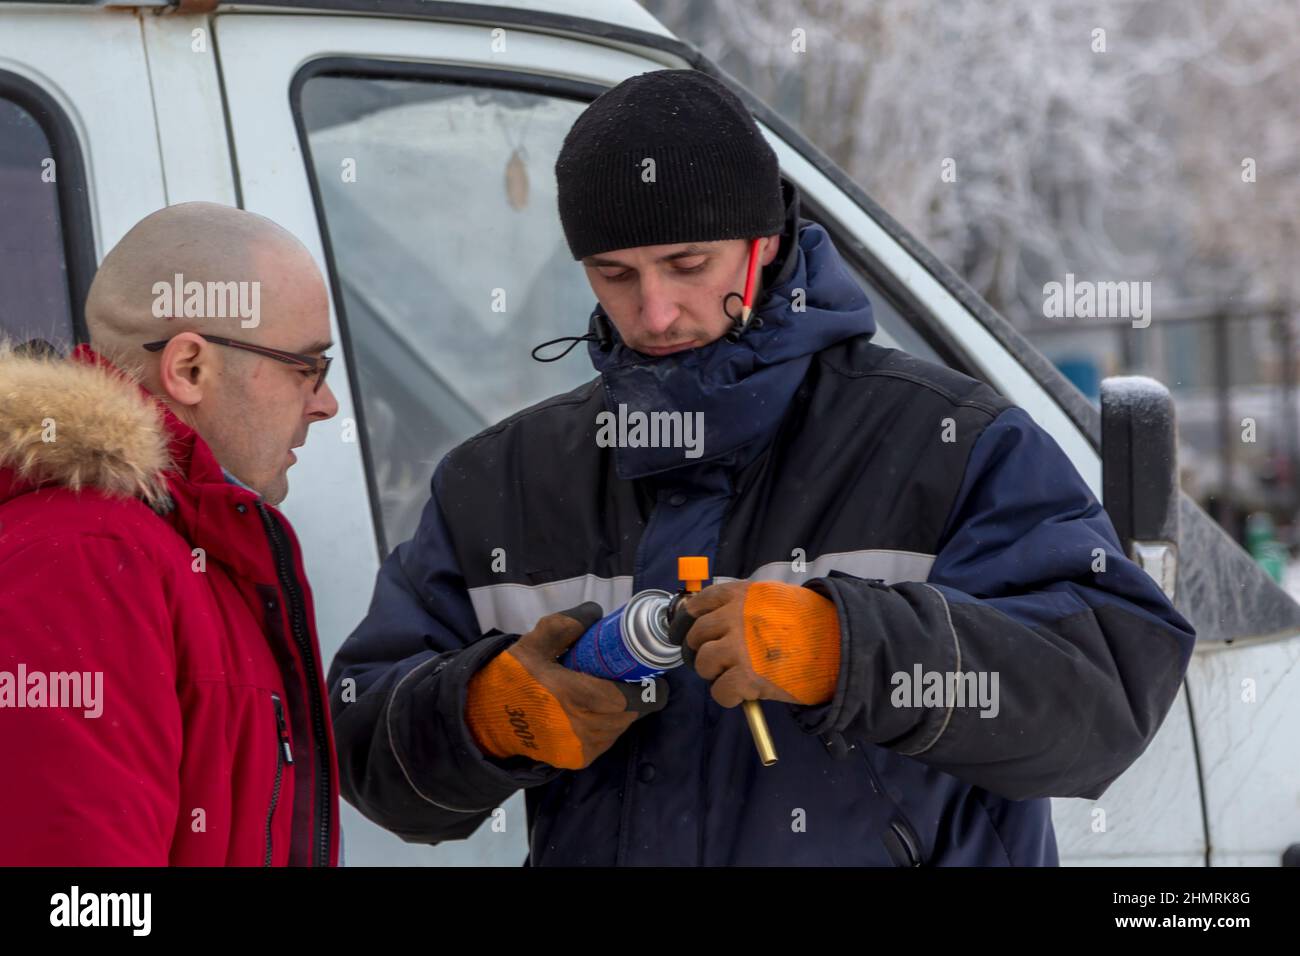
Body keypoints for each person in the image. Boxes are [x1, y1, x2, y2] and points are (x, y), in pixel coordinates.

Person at [330, 71, 1195, 865]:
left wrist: (848, 649)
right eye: (615, 273)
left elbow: (1105, 696)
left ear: (764, 242)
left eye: (687, 265)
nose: (656, 310)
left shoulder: (951, 442)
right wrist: (483, 715)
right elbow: (367, 742)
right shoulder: (505, 482)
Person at [0, 202, 341, 865]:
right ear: (189, 368)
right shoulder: (87, 560)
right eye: (308, 367)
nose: (326, 404)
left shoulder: (193, 554)